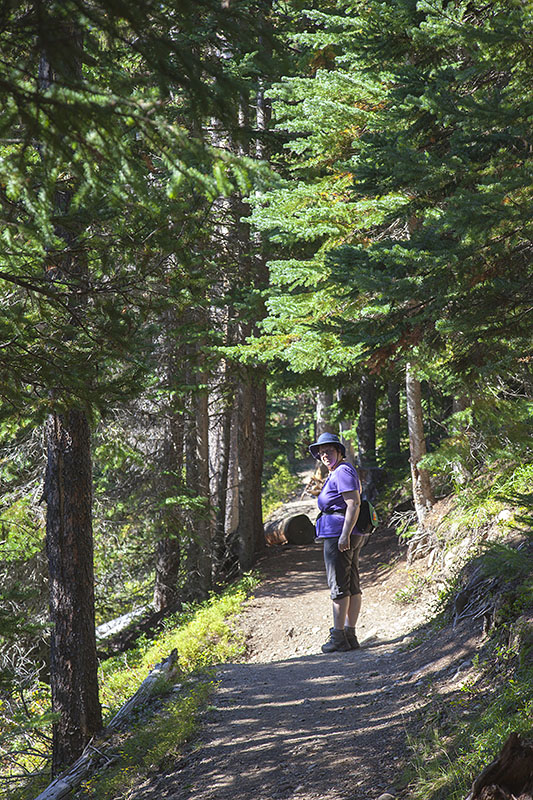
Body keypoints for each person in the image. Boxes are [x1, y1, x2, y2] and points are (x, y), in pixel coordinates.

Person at [309, 432, 364, 653]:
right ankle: (349, 636)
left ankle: (339, 637)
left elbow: (354, 503)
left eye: (329, 451)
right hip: (344, 533)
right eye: (321, 452)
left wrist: (344, 534)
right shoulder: (338, 472)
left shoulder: (342, 471)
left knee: (339, 584)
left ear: (339, 452)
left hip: (340, 535)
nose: (325, 455)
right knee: (350, 583)